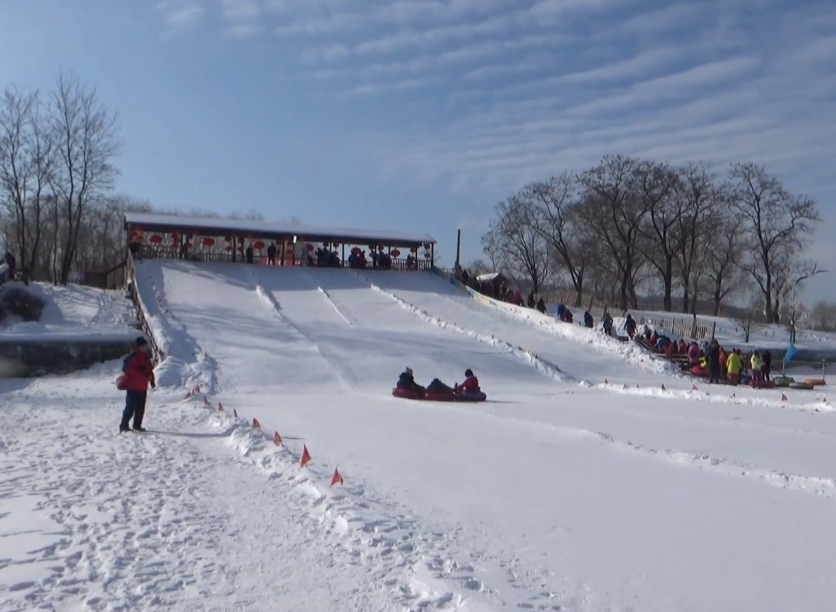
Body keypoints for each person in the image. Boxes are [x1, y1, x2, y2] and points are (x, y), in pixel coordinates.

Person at [120, 337, 155, 432]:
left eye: (145, 345)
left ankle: (137, 425)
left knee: (141, 408)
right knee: (130, 407)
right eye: (143, 346)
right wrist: (139, 371)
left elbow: (149, 369)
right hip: (133, 386)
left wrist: (152, 379)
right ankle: (124, 425)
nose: (145, 347)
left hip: (143, 386)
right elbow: (127, 370)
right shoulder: (132, 357)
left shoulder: (146, 357)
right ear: (138, 347)